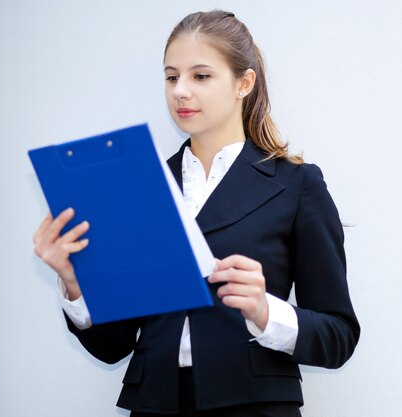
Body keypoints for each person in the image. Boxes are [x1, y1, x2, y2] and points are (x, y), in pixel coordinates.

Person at [32, 10, 360, 417]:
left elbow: (339, 336)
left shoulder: (297, 184)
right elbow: (112, 345)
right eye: (172, 77)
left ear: (244, 83)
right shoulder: (139, 185)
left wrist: (264, 311)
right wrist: (73, 281)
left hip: (254, 406)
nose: (180, 91)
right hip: (155, 405)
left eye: (200, 76)